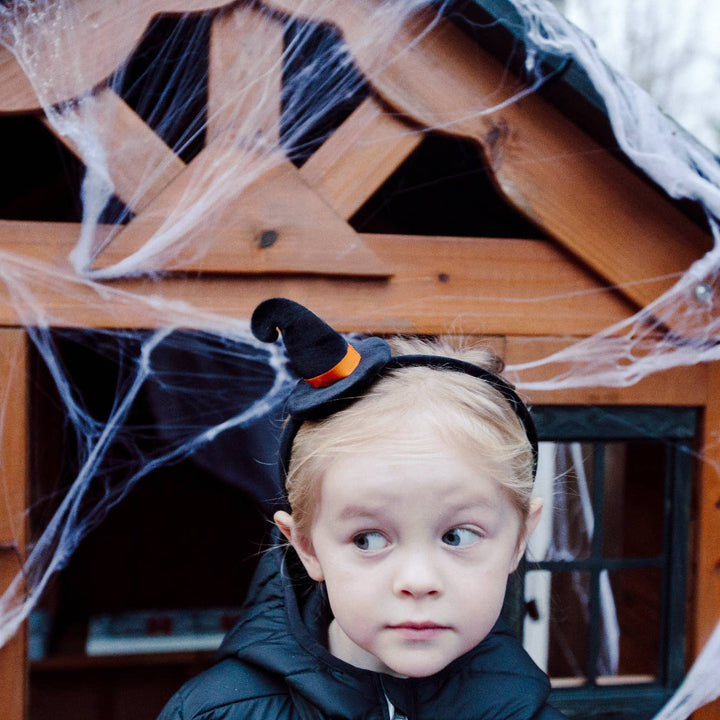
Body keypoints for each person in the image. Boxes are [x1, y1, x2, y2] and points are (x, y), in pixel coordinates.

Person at [157, 297, 566, 720]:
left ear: (519, 538)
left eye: (456, 536)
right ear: (306, 547)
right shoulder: (216, 713)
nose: (418, 581)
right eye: (367, 539)